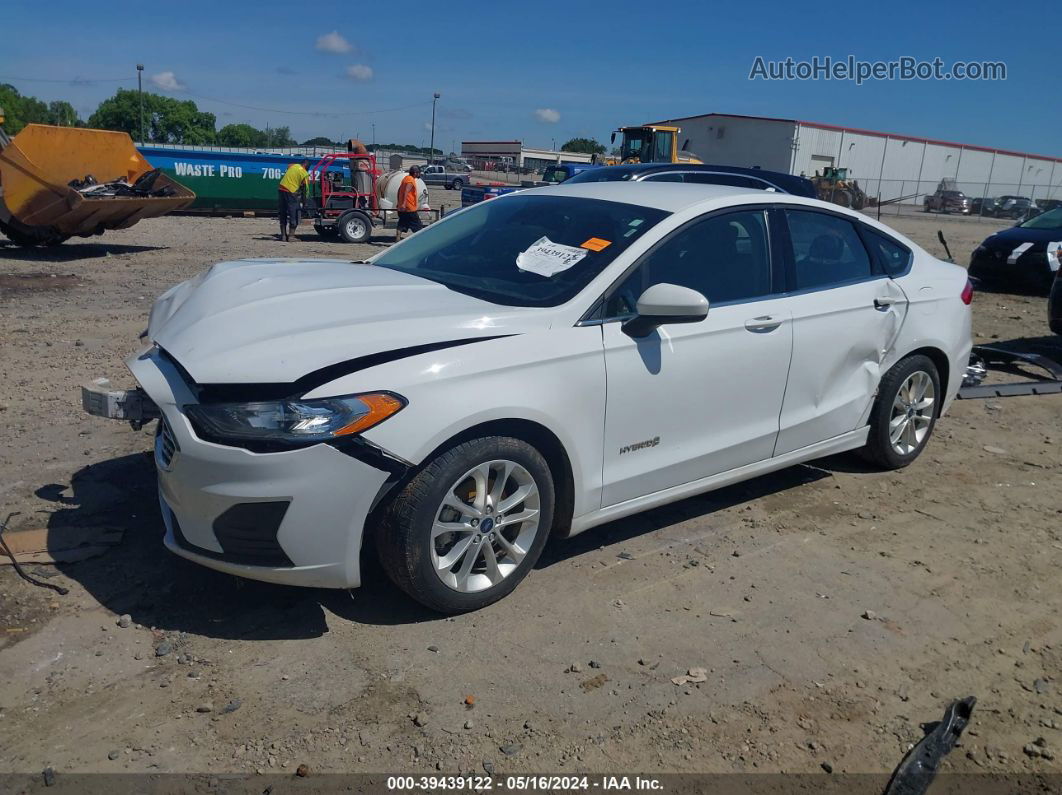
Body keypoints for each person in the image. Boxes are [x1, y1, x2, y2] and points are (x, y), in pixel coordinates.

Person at [277, 158, 310, 241]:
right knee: (294, 213)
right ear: (306, 166)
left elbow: (288, 166)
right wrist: (305, 204)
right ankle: (291, 236)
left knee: (283, 212)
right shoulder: (304, 174)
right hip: (290, 192)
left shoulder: (293, 166)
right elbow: (305, 191)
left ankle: (283, 236)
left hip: (281, 189)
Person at [395, 165, 423, 241]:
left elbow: (399, 191)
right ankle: (420, 241)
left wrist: (399, 203)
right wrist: (404, 204)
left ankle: (397, 239)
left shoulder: (405, 179)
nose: (419, 174)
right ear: (415, 173)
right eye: (418, 172)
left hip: (402, 208)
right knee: (418, 226)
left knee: (401, 224)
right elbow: (406, 192)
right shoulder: (410, 180)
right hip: (409, 208)